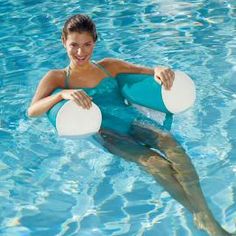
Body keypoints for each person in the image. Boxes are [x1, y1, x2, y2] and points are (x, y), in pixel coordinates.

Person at [28, 14, 234, 236]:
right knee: (155, 163)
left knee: (172, 145)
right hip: (109, 133)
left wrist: (159, 70)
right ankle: (202, 217)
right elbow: (32, 111)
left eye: (87, 44)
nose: (81, 52)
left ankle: (204, 215)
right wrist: (62, 95)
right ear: (63, 42)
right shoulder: (57, 78)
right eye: (74, 45)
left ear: (95, 41)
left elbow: (148, 71)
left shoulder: (109, 66)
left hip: (134, 120)